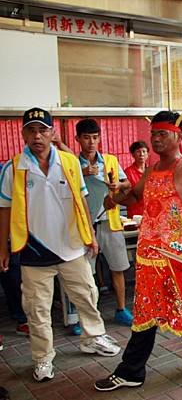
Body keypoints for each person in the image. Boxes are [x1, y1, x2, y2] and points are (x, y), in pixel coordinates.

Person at [94, 111, 182, 391]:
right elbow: (135, 196)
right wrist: (116, 195)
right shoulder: (151, 170)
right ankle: (132, 371)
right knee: (144, 314)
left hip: (180, 256)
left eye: (162, 134)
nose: (156, 139)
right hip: (149, 257)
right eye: (153, 134)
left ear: (179, 136)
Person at [0, 108, 120, 382]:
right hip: (33, 251)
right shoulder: (14, 167)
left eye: (43, 130)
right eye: (31, 130)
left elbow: (82, 201)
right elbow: (4, 209)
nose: (37, 136)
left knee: (88, 296)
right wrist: (3, 249)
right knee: (37, 308)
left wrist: (89, 235)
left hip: (72, 246)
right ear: (23, 134)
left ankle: (93, 338)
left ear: (53, 133)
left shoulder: (69, 162)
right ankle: (43, 358)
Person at [75, 118, 133, 326]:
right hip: (85, 226)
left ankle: (121, 309)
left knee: (118, 268)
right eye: (86, 138)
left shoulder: (109, 160)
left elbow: (128, 184)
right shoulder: (71, 163)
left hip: (110, 222)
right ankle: (87, 318)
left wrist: (119, 183)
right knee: (84, 275)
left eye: (95, 138)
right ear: (78, 139)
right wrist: (82, 173)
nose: (91, 142)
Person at [124, 140, 149, 218]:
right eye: (138, 151)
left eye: (144, 151)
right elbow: (125, 194)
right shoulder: (128, 172)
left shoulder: (152, 171)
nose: (141, 154)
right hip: (135, 214)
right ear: (133, 155)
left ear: (148, 154)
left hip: (151, 213)